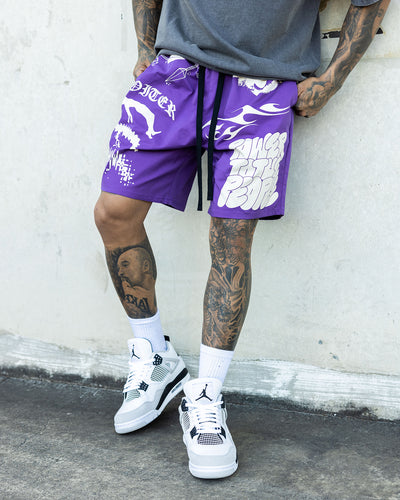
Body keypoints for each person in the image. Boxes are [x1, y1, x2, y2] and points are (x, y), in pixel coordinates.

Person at [94, 0, 390, 479]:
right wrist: (146, 47)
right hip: (175, 74)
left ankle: (207, 396)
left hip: (262, 87)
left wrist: (331, 80)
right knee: (114, 213)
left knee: (231, 244)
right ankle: (154, 357)